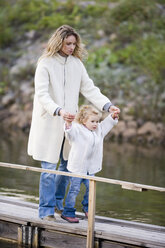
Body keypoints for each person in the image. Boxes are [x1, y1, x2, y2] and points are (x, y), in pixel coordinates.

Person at [27, 25, 120, 221]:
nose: (71, 47)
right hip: (50, 123)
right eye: (68, 43)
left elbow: (89, 88)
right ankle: (46, 211)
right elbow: (42, 95)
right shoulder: (45, 63)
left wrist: (107, 105)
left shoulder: (76, 64)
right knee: (49, 169)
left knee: (66, 168)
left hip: (71, 125)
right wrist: (59, 110)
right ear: (58, 42)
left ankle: (59, 204)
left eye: (74, 44)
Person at [61, 105, 119, 223]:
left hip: (90, 168)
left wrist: (112, 116)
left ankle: (87, 208)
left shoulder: (98, 130)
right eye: (92, 121)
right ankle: (68, 212)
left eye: (97, 121)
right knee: (74, 190)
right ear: (83, 120)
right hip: (77, 168)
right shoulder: (77, 129)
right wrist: (68, 124)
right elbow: (70, 134)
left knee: (90, 189)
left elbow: (106, 124)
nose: (95, 124)